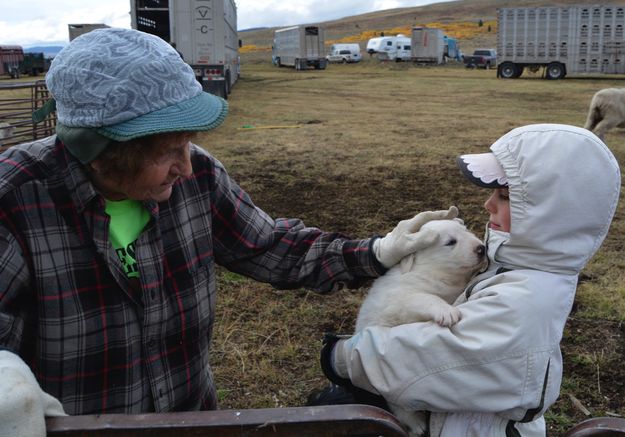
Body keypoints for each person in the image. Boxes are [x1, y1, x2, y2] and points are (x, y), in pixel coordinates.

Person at [0, 28, 458, 436]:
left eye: (187, 143)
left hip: (192, 420)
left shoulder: (197, 176)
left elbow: (272, 246)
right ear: (100, 151)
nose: (185, 164)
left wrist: (377, 251)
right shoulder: (15, 202)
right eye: (166, 150)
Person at [319, 124, 621, 436]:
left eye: (503, 196)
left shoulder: (525, 300)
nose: (487, 204)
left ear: (551, 216)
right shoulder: (518, 268)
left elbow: (429, 360)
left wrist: (342, 357)